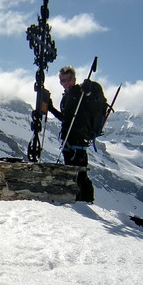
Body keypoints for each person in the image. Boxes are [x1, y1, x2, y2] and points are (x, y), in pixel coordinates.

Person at [49, 66, 100, 203]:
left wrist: (88, 93)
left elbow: (89, 107)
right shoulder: (67, 97)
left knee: (79, 174)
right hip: (69, 141)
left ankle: (84, 202)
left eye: (68, 80)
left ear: (74, 79)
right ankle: (79, 201)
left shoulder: (81, 93)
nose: (65, 84)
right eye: (62, 81)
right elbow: (66, 119)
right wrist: (51, 108)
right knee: (73, 172)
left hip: (78, 141)